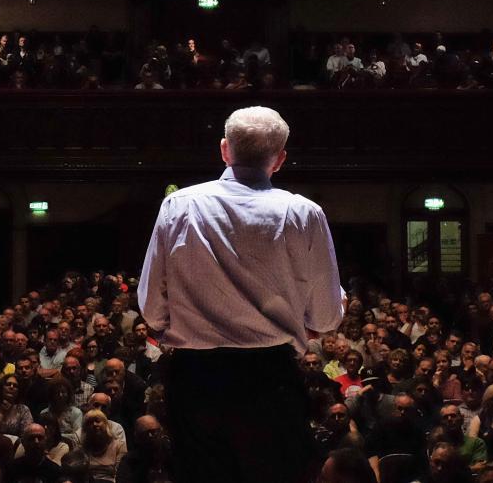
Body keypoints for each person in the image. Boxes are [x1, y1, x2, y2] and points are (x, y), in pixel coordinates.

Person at [139, 106, 344, 483]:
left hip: (196, 378)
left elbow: (152, 308)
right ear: (280, 160)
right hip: (270, 378)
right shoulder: (304, 213)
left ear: (224, 150)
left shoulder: (179, 205)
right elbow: (327, 318)